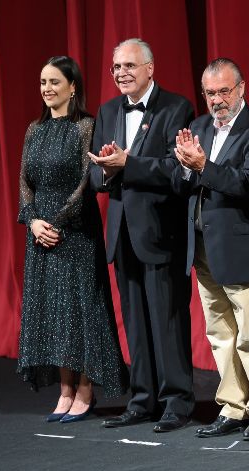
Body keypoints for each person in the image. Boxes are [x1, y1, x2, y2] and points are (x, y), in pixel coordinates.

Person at [171, 58, 249, 441]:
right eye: (210, 93)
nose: (217, 100)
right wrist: (186, 167)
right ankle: (233, 405)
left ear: (241, 88)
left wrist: (203, 165)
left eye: (224, 91)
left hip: (246, 247)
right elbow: (184, 181)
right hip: (205, 246)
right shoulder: (200, 127)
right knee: (220, 331)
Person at [87, 38, 195, 432]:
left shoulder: (177, 107)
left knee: (167, 321)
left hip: (159, 231)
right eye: (116, 67)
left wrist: (127, 163)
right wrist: (105, 169)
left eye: (129, 66)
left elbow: (177, 170)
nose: (121, 73)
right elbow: (96, 173)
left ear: (150, 68)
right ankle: (142, 400)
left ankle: (177, 402)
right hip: (121, 233)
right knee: (134, 321)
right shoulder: (108, 110)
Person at [16, 55, 129, 423]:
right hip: (40, 235)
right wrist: (33, 221)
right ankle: (64, 391)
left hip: (75, 232)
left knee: (79, 312)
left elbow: (87, 181)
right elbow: (24, 182)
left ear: (72, 87)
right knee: (53, 314)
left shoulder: (85, 127)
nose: (47, 89)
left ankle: (84, 390)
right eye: (42, 83)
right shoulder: (34, 129)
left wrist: (57, 222)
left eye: (54, 82)